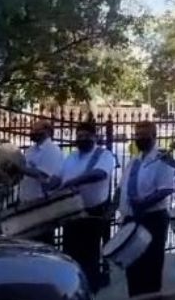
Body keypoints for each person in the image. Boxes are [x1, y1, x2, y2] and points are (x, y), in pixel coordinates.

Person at [47, 122, 115, 293]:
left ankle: (90, 290)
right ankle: (74, 290)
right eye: (79, 136)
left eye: (86, 136)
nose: (82, 139)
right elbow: (58, 177)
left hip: (92, 213)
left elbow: (99, 174)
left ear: (95, 137)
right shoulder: (71, 157)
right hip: (70, 213)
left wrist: (74, 181)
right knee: (70, 254)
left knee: (89, 256)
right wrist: (49, 184)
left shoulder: (104, 155)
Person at [117, 121, 175, 297]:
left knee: (150, 267)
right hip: (131, 219)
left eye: (144, 135)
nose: (139, 139)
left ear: (154, 136)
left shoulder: (162, 158)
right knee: (132, 267)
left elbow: (166, 189)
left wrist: (144, 203)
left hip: (152, 219)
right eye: (137, 135)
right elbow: (122, 187)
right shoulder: (135, 160)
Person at [18, 120, 64, 245]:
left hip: (42, 204)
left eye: (36, 130)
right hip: (27, 202)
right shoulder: (31, 150)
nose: (32, 132)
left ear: (47, 132)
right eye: (32, 129)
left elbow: (43, 174)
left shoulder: (52, 150)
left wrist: (19, 168)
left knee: (42, 243)